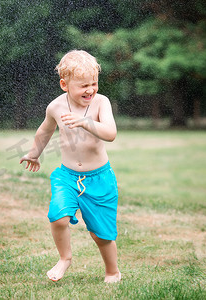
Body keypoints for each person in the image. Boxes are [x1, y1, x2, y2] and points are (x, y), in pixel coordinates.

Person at [19, 50, 121, 283]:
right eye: (83, 85)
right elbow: (45, 131)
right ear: (65, 85)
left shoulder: (100, 103)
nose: (90, 89)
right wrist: (34, 153)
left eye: (94, 83)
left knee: (101, 234)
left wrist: (87, 122)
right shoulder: (55, 107)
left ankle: (112, 271)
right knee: (58, 217)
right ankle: (65, 258)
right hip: (67, 176)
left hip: (99, 178)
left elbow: (111, 133)